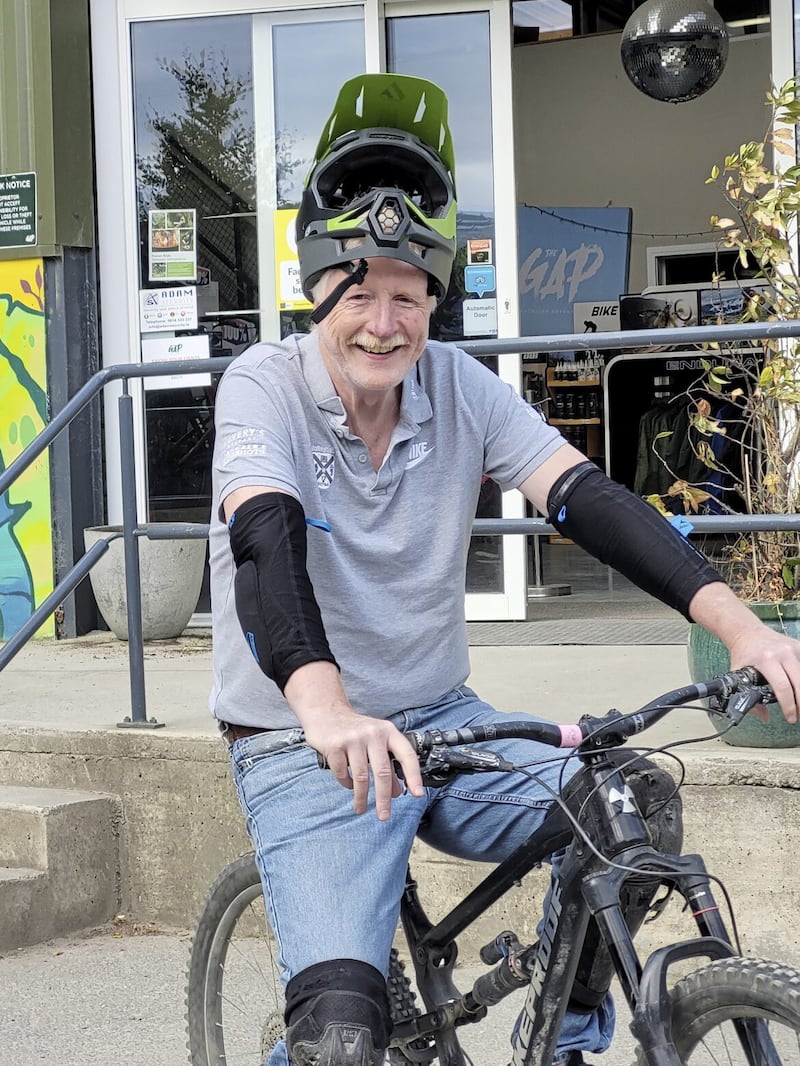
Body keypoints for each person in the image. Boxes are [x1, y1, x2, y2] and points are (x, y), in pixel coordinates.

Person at [209, 73, 800, 1066]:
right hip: (301, 738)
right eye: (360, 294)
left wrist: (739, 626)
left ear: (436, 302)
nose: (383, 324)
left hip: (442, 715)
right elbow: (264, 542)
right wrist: (322, 706)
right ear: (318, 292)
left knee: (628, 802)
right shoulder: (263, 387)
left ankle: (556, 1039)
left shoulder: (461, 389)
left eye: (408, 297)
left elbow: (589, 502)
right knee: (341, 1035)